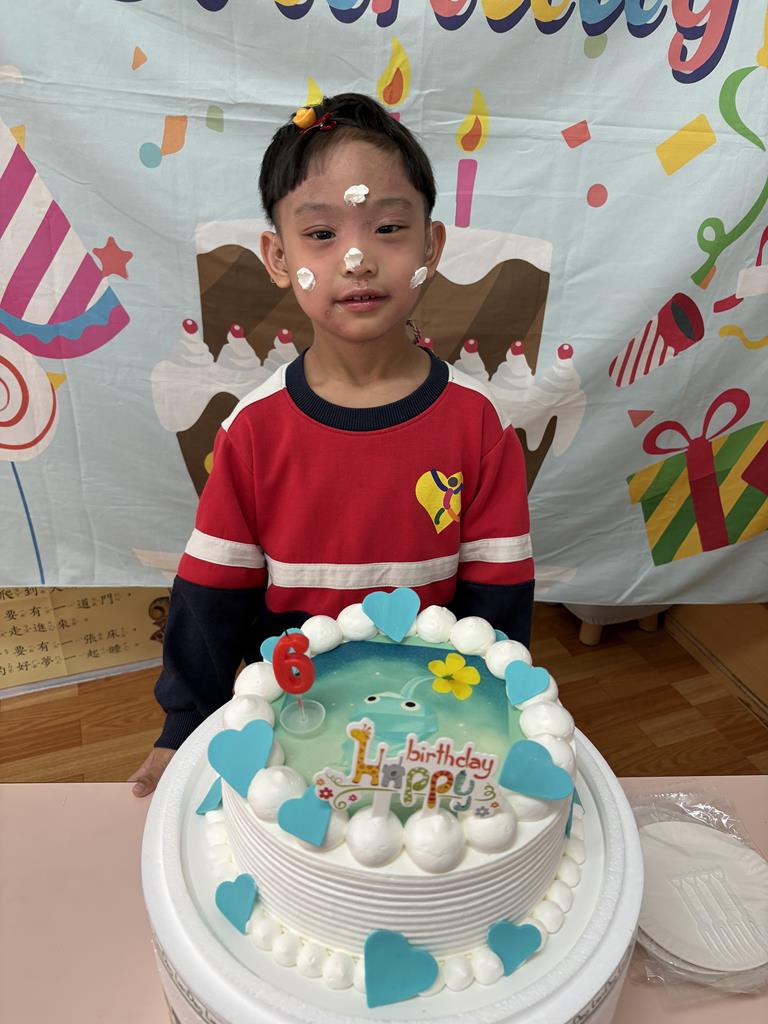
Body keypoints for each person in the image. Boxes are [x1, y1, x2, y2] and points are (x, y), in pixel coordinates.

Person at [130, 93, 534, 798]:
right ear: (278, 257)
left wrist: (494, 715)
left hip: (433, 725)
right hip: (292, 717)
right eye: (320, 233)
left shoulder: (479, 425)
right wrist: (184, 725)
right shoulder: (253, 432)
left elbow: (497, 602)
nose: (357, 258)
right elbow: (211, 597)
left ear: (431, 247)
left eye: (388, 228)